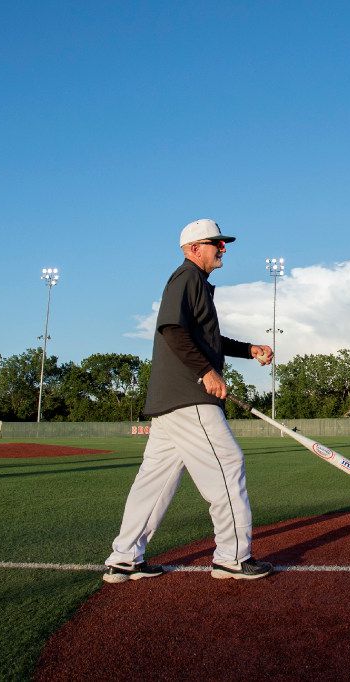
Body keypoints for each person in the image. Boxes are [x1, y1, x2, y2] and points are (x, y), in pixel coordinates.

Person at [103, 219, 276, 583]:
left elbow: (207, 338)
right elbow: (172, 329)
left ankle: (124, 557)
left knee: (156, 481)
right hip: (189, 397)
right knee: (228, 464)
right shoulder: (186, 278)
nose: (223, 248)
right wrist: (206, 373)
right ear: (193, 248)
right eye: (217, 243)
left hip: (172, 401)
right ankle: (232, 557)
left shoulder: (196, 283)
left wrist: (249, 349)